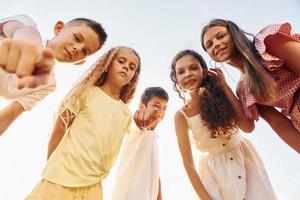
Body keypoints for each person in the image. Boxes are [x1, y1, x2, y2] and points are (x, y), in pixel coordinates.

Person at [25, 46, 140, 200]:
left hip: (92, 186)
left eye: (132, 67)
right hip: (60, 178)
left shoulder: (126, 114)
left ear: (133, 76)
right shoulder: (85, 93)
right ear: (107, 65)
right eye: (121, 61)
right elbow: (59, 129)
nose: (126, 67)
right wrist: (54, 167)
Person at [170, 49, 277, 200]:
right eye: (181, 72)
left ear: (205, 71)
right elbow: (188, 164)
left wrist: (225, 87)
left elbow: (248, 127)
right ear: (176, 78)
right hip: (214, 175)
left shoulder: (222, 96)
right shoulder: (181, 116)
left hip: (245, 161)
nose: (187, 74)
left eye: (193, 68)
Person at [201, 19, 300, 153]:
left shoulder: (267, 44)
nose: (216, 44)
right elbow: (277, 122)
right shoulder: (244, 91)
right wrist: (224, 87)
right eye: (209, 45)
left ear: (235, 33)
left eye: (221, 36)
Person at [0, 14, 107, 135]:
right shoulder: (26, 24)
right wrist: (29, 37)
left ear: (80, 62)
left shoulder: (48, 85)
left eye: (85, 51)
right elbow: (14, 28)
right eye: (77, 38)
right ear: (59, 28)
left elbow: (7, 117)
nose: (77, 48)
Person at [112, 86, 168, 200]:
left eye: (164, 108)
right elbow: (138, 120)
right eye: (156, 106)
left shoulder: (152, 135)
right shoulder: (137, 128)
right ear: (142, 106)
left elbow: (155, 173)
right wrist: (142, 120)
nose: (160, 111)